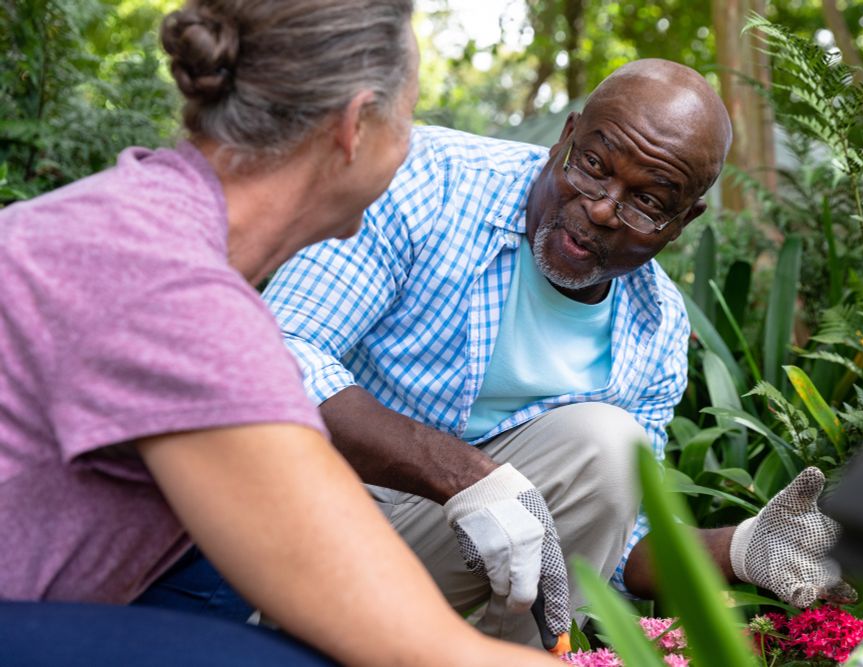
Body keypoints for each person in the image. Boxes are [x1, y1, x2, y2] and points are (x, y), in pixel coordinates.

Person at [0, 1, 559, 665]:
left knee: (219, 567)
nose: (412, 145)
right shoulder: (174, 289)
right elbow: (420, 649)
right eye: (408, 122)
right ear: (354, 125)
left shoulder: (142, 214)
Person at [262, 58, 854, 645]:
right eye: (594, 165)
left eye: (648, 202)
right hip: (301, 531)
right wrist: (464, 476)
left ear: (681, 223)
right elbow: (277, 357)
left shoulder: (655, 329)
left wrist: (742, 549)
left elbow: (615, 547)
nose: (601, 209)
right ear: (565, 137)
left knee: (610, 446)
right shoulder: (429, 179)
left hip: (432, 575)